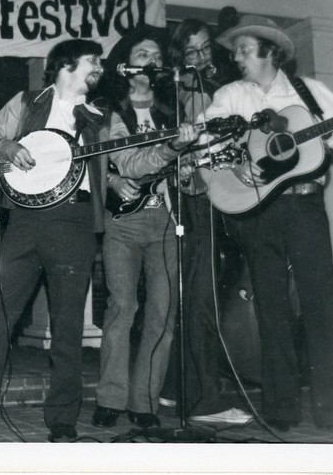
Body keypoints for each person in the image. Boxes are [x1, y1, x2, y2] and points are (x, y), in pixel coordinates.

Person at [198, 14, 333, 434]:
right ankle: (280, 408)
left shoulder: (309, 93)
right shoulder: (231, 95)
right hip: (258, 210)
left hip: (305, 208)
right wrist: (239, 167)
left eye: (243, 49)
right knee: (270, 307)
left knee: (321, 306)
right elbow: (207, 145)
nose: (236, 57)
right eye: (236, 51)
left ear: (270, 51)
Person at [0, 39, 110, 443]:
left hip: (74, 222)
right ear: (65, 66)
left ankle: (62, 418)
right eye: (93, 60)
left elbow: (131, 161)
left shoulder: (103, 116)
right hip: (25, 220)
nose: (101, 66)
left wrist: (171, 147)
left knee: (66, 325)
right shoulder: (27, 102)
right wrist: (7, 148)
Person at [90, 26, 199, 430]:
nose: (151, 61)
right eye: (143, 53)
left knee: (162, 313)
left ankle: (145, 402)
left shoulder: (174, 112)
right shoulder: (107, 109)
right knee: (122, 309)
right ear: (126, 61)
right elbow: (97, 164)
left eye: (157, 55)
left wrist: (187, 166)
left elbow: (187, 167)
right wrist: (108, 181)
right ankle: (111, 398)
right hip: (123, 222)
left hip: (168, 219)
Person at [157, 18, 252, 426]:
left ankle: (175, 390)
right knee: (202, 299)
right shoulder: (179, 94)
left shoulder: (220, 88)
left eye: (204, 49)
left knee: (203, 295)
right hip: (196, 201)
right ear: (180, 57)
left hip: (222, 198)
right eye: (191, 52)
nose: (199, 57)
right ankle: (205, 401)